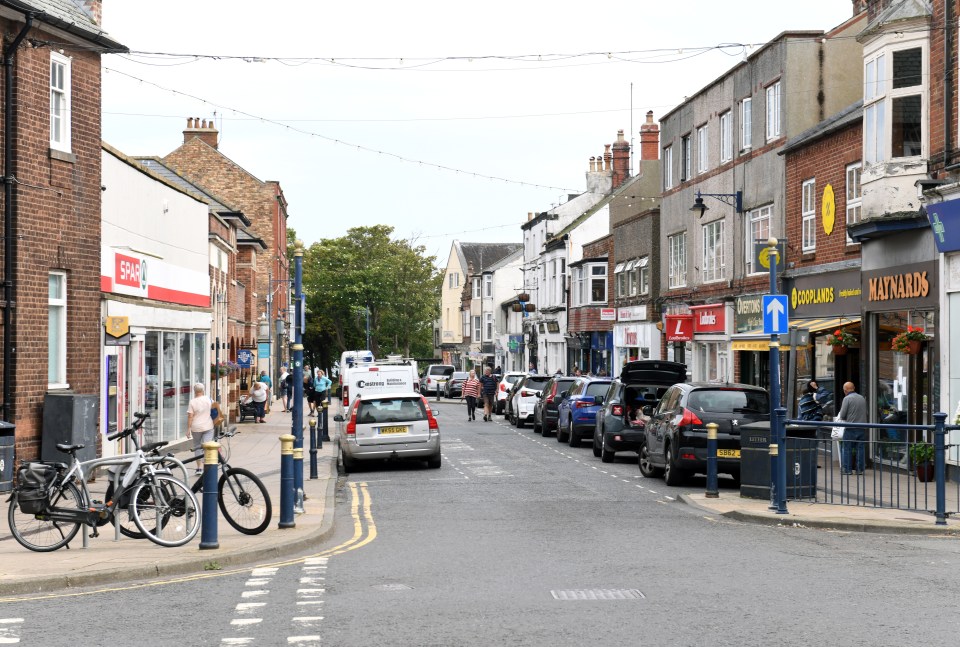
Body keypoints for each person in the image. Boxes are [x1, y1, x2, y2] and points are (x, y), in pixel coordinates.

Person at [837, 381, 867, 474]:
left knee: (846, 448)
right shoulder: (862, 398)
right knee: (860, 448)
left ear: (845, 390)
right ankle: (860, 469)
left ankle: (847, 469)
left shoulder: (847, 399)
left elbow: (842, 415)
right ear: (853, 388)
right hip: (862, 427)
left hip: (850, 427)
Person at [186, 382, 215, 474]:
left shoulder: (192, 402)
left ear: (194, 391)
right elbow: (216, 410)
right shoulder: (209, 399)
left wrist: (188, 429)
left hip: (196, 427)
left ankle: (199, 468)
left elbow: (190, 416)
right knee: (207, 446)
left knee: (197, 446)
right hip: (208, 426)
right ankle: (208, 466)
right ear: (203, 390)